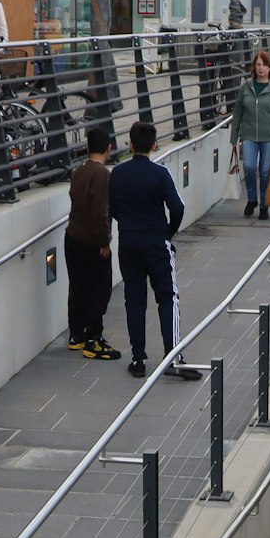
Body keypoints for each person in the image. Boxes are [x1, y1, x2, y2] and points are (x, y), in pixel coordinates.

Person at [108, 121, 200, 380]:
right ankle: (173, 358)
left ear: (130, 144)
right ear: (154, 145)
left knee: (134, 300)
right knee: (167, 297)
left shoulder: (117, 173)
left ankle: (138, 360)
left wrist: (129, 224)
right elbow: (178, 207)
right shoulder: (160, 173)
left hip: (128, 242)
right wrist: (167, 232)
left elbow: (112, 208)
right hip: (156, 242)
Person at [65, 126, 119, 360]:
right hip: (91, 242)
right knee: (99, 289)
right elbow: (99, 213)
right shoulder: (102, 175)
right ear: (109, 148)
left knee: (77, 287)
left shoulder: (79, 171)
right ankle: (94, 340)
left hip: (72, 237)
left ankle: (76, 335)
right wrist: (104, 242)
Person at [230, 50, 270, 221]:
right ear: (254, 67)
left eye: (264, 65)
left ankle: (264, 204)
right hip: (249, 135)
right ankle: (252, 199)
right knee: (249, 167)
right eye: (258, 65)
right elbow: (238, 112)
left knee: (265, 171)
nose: (261, 68)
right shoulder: (246, 86)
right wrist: (234, 138)